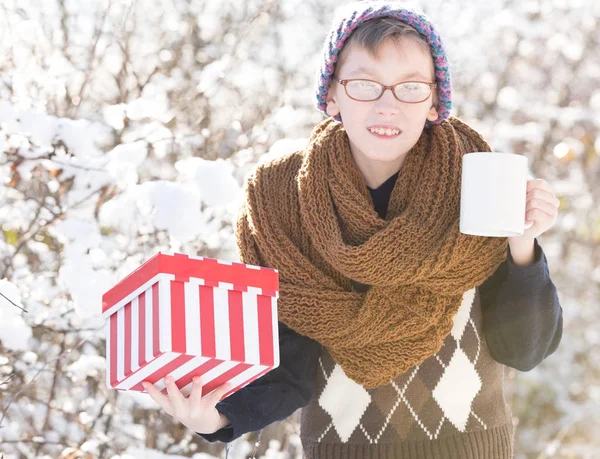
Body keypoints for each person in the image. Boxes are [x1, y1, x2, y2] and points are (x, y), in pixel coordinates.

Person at [143, 1, 563, 457]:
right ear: (332, 96)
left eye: (410, 87)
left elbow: (525, 350)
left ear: (434, 102)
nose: (387, 104)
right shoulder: (284, 201)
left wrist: (522, 245)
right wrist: (219, 417)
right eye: (365, 85)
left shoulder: (479, 182)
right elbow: (289, 365)